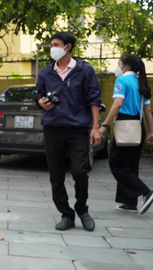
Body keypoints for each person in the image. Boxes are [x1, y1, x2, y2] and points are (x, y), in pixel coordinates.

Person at [35, 31, 102, 232]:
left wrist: (96, 127)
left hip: (78, 130)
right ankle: (66, 214)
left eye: (56, 44)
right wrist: (42, 103)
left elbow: (94, 99)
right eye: (51, 44)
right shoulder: (46, 72)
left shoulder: (84, 70)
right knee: (56, 175)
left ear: (68, 47)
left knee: (81, 172)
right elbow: (37, 95)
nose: (52, 48)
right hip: (53, 129)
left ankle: (82, 209)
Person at [99, 54, 153, 214]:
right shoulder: (141, 83)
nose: (117, 67)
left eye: (119, 63)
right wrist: (151, 132)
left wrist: (104, 125)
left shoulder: (121, 81)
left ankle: (146, 192)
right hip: (139, 125)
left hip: (125, 124)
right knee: (131, 164)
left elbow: (118, 104)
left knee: (116, 163)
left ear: (126, 66)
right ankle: (129, 202)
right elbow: (148, 111)